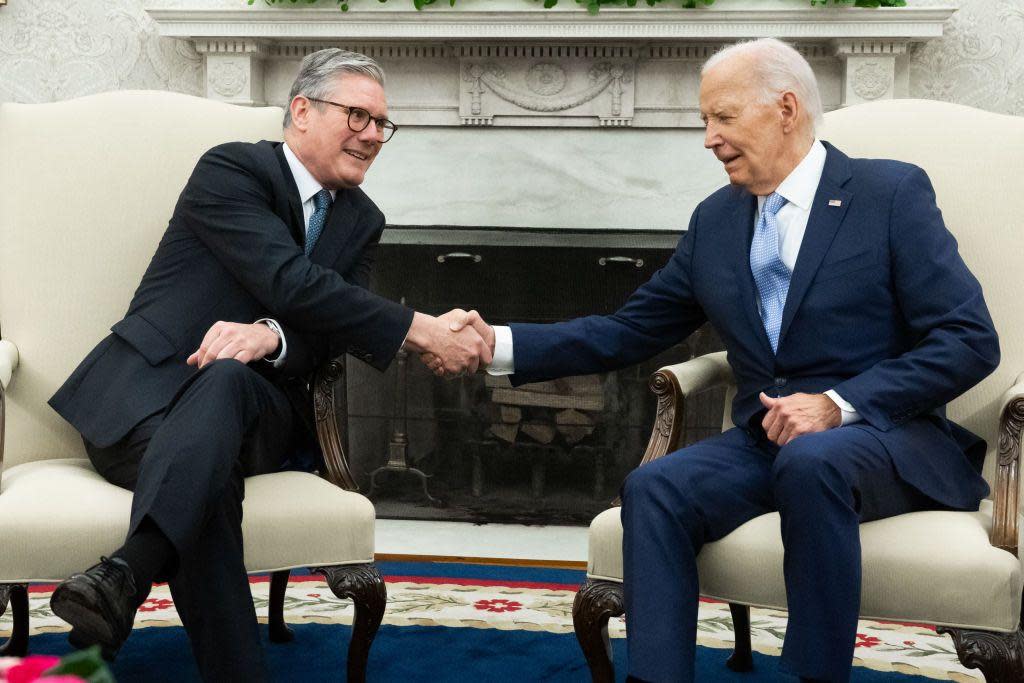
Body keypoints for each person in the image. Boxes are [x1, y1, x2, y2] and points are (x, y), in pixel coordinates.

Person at [433, 38, 999, 683]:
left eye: (723, 118)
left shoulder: (888, 192)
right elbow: (629, 329)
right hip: (769, 443)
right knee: (654, 487)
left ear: (786, 109)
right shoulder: (716, 221)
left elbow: (967, 338)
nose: (708, 138)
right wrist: (497, 345)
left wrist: (837, 405)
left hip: (882, 438)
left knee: (815, 458)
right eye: (706, 121)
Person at [46, 48, 490, 681]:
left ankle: (126, 573)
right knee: (210, 483)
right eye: (357, 115)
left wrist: (271, 337)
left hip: (257, 413)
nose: (372, 135)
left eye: (381, 124)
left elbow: (330, 334)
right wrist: (418, 329)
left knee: (228, 381)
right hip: (139, 406)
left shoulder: (363, 221)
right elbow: (291, 279)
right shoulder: (231, 169)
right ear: (302, 111)